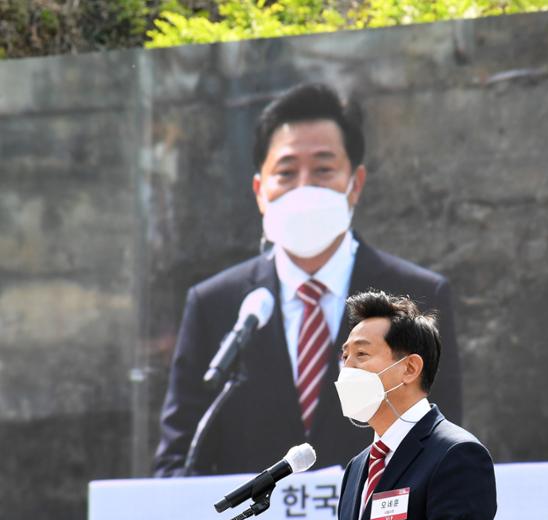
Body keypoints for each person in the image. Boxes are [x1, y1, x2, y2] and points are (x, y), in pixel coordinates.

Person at [154, 83, 462, 476]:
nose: (304, 188)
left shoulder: (418, 297)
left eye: (323, 170)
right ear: (259, 191)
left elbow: (441, 444)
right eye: (286, 172)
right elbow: (177, 462)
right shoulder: (215, 305)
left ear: (356, 184)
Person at [315, 290, 496, 520]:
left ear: (410, 369)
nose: (346, 368)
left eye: (361, 355)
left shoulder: (456, 455)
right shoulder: (358, 467)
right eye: (344, 356)